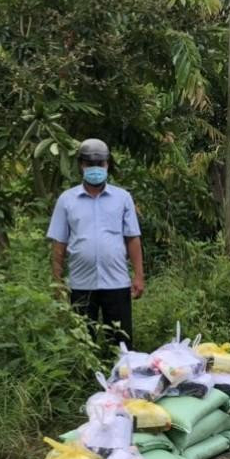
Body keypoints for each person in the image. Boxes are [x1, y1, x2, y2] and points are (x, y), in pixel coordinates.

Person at [48, 138, 145, 347]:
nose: (95, 168)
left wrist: (138, 275)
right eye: (90, 164)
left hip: (117, 283)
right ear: (81, 165)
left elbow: (132, 238)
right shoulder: (67, 200)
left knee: (121, 344)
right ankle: (86, 380)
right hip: (81, 284)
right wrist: (58, 282)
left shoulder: (122, 198)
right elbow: (59, 244)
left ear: (107, 165)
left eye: (100, 164)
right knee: (83, 343)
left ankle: (121, 379)